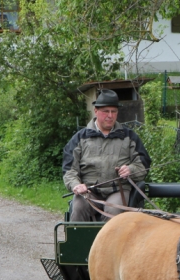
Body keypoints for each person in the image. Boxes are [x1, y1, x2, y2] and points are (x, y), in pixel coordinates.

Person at [62, 89, 151, 221]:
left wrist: (131, 170)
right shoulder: (80, 138)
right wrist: (76, 185)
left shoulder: (129, 137)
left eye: (113, 111)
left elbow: (143, 164)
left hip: (118, 191)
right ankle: (78, 241)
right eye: (106, 111)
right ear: (96, 111)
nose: (110, 115)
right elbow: (69, 170)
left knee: (114, 210)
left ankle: (110, 242)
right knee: (79, 207)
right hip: (89, 192)